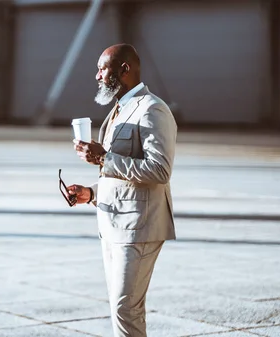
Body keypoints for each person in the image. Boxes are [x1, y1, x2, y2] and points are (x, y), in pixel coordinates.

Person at [67, 43, 177, 337]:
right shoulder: (120, 109)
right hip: (114, 223)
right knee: (124, 310)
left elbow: (160, 170)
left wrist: (103, 157)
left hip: (139, 227)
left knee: (124, 309)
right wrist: (90, 193)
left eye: (102, 69)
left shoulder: (153, 109)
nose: (97, 76)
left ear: (124, 69)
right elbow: (119, 173)